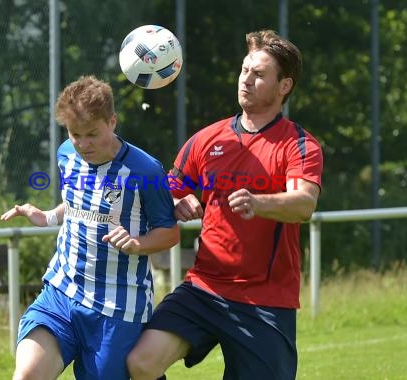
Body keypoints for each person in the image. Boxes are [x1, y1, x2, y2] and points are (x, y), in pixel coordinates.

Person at [127, 29, 323, 380]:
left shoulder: (298, 144)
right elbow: (168, 190)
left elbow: (303, 204)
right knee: (141, 362)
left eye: (259, 74)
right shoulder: (207, 139)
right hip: (205, 288)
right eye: (245, 70)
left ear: (285, 86)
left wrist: (258, 202)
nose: (246, 79)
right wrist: (180, 198)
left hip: (264, 301)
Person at [1, 75, 179, 380]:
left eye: (92, 134)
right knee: (27, 376)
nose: (83, 144)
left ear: (112, 121)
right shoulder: (65, 155)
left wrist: (138, 243)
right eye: (75, 134)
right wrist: (47, 217)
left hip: (117, 306)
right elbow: (77, 203)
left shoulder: (146, 170)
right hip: (62, 290)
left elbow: (170, 232)